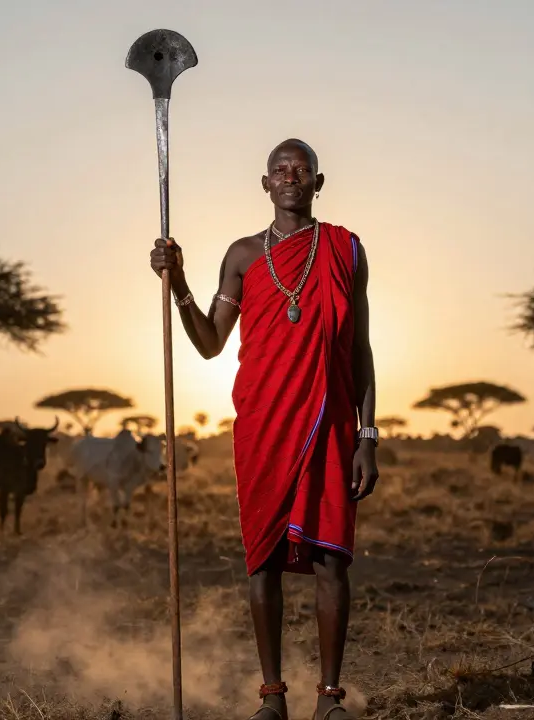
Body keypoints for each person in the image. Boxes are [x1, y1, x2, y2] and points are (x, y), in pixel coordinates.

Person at [150, 138, 379, 720]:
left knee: (332, 560)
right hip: (263, 423)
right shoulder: (243, 255)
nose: (290, 177)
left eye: (301, 170)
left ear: (318, 183)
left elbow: (359, 350)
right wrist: (177, 283)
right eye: (280, 170)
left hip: (330, 423)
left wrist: (367, 437)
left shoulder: (346, 250)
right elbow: (208, 345)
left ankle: (329, 700)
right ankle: (272, 699)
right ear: (265, 183)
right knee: (264, 559)